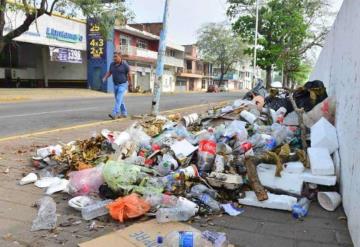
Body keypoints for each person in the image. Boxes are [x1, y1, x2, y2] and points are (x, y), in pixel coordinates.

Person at [102, 51, 132, 119]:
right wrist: (105, 77)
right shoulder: (112, 64)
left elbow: (129, 75)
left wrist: (130, 84)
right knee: (119, 100)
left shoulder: (125, 65)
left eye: (116, 57)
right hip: (115, 84)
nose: (114, 58)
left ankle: (114, 113)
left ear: (120, 57)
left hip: (123, 84)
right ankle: (124, 113)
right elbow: (109, 72)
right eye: (114, 57)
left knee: (118, 98)